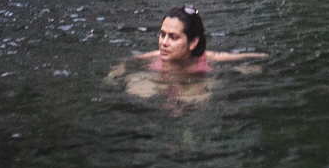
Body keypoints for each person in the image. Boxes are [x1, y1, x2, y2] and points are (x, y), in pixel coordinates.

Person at [105, 6, 267, 103]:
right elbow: (126, 61)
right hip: (158, 85)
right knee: (136, 87)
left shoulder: (209, 58)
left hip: (192, 88)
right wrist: (115, 72)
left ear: (193, 42)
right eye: (162, 34)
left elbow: (246, 58)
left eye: (173, 37)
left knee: (197, 97)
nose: (164, 42)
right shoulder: (155, 56)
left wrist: (260, 61)